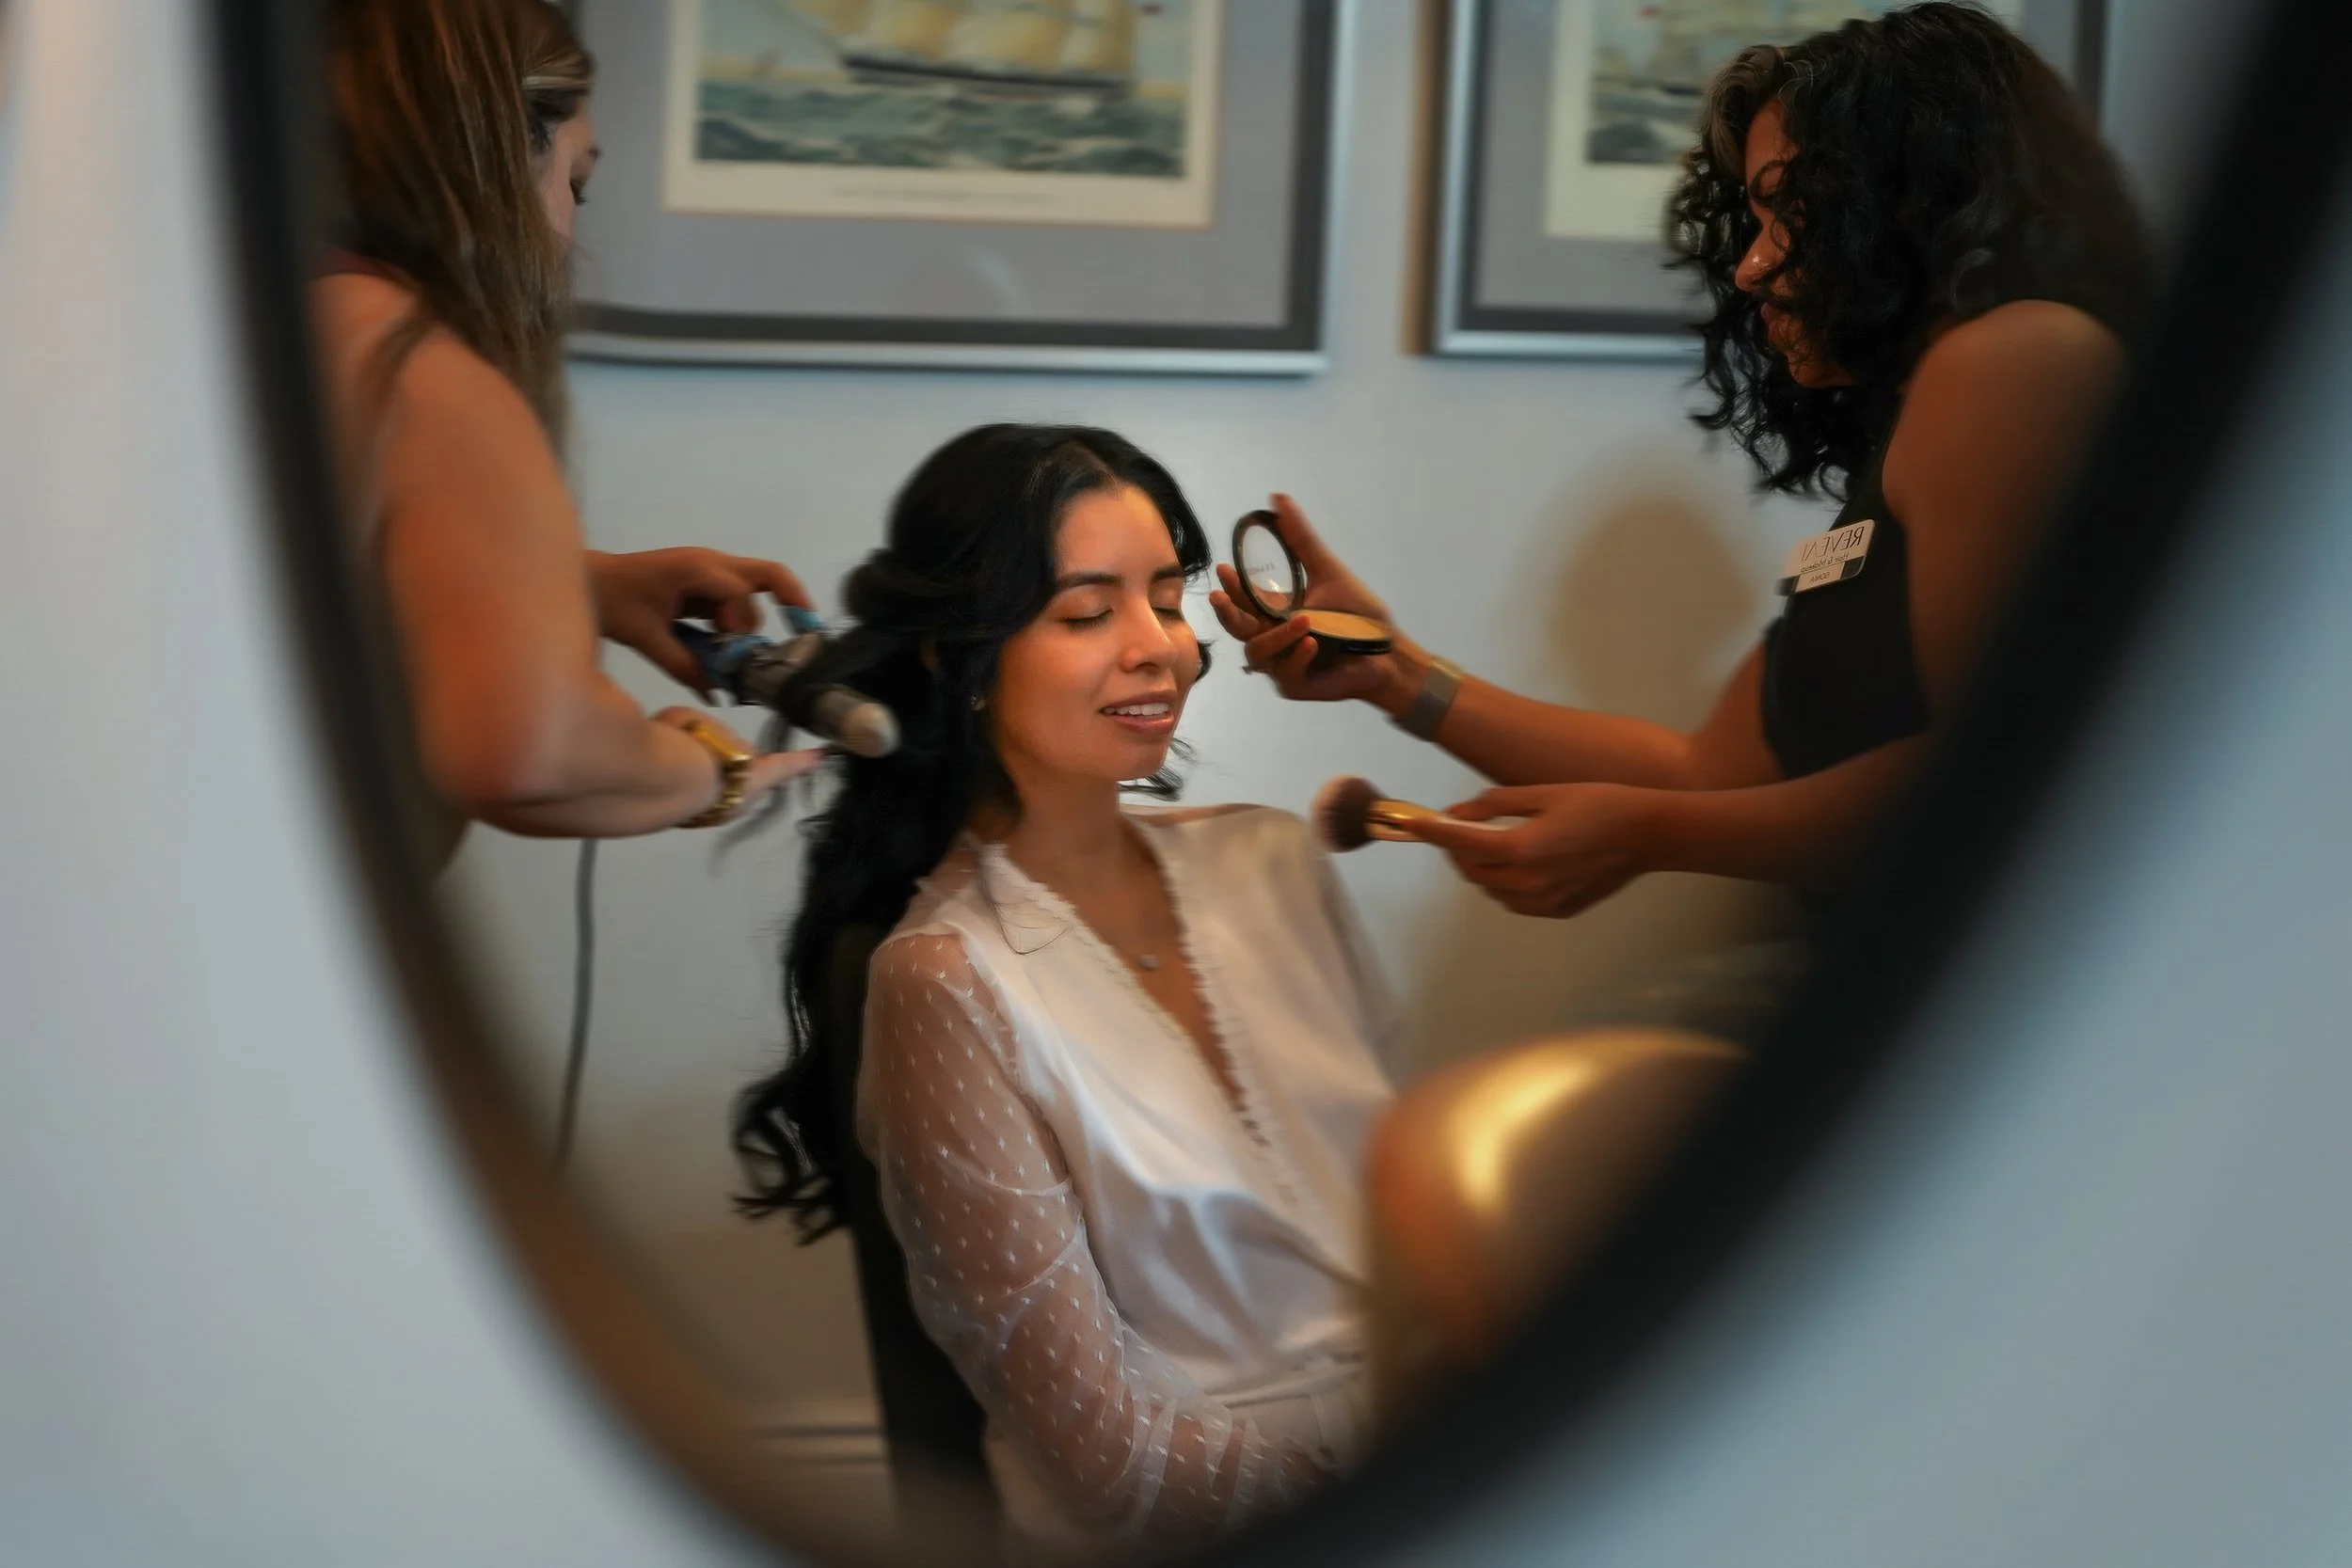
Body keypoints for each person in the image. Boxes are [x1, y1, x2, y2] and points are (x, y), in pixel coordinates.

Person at [1215, 4, 2153, 921]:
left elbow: (1994, 777)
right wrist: (1392, 671)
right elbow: (1706, 770)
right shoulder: (1942, 400)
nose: (1749, 267)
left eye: (1787, 209)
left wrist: (1652, 835)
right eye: (1752, 216)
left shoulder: (2014, 357)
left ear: (1902, 201)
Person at [732, 425, 1398, 1553]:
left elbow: (1417, 1241)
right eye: (1086, 613)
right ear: (958, 657)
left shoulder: (1274, 863)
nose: (1161, 650)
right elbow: (1106, 1454)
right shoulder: (948, 980)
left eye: (1168, 599)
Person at [314, 0, 814, 859]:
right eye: (575, 183)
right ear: (495, 157)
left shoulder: (263, 338)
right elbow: (536, 755)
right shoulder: (422, 374)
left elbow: (304, 576)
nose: (569, 232)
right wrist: (712, 770)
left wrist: (581, 584)